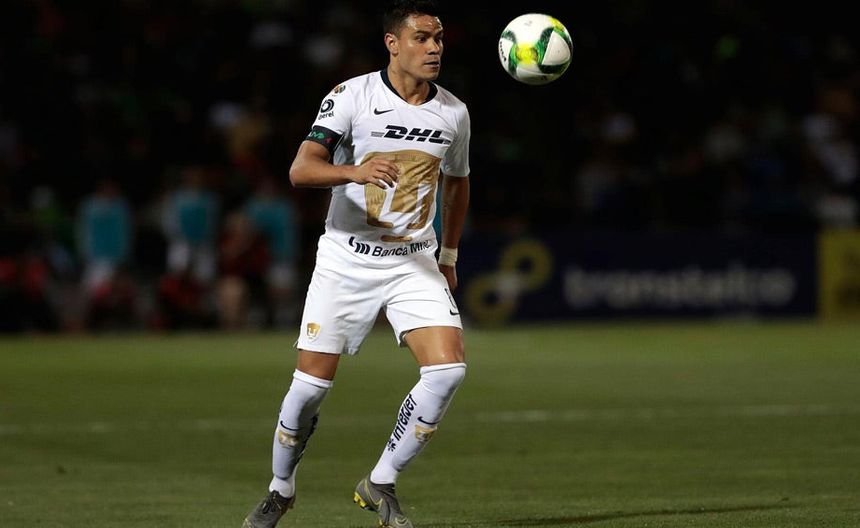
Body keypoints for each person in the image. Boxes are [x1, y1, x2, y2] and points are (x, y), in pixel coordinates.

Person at [242, 1, 471, 527]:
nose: (434, 48)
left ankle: (380, 482)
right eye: (421, 37)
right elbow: (301, 170)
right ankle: (280, 489)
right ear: (393, 43)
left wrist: (449, 254)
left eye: (438, 38)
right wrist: (355, 171)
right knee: (308, 391)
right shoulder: (352, 96)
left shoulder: (454, 112)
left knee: (447, 371)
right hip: (346, 260)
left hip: (412, 259)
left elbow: (457, 183)